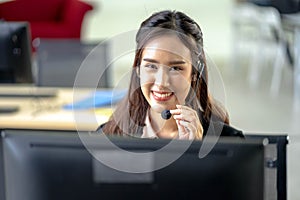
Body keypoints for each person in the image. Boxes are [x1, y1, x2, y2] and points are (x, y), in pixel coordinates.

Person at [98, 10, 243, 140]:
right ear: (138, 70)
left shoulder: (230, 142)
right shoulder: (107, 136)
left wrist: (194, 154)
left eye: (175, 68)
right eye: (151, 66)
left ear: (194, 74)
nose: (161, 82)